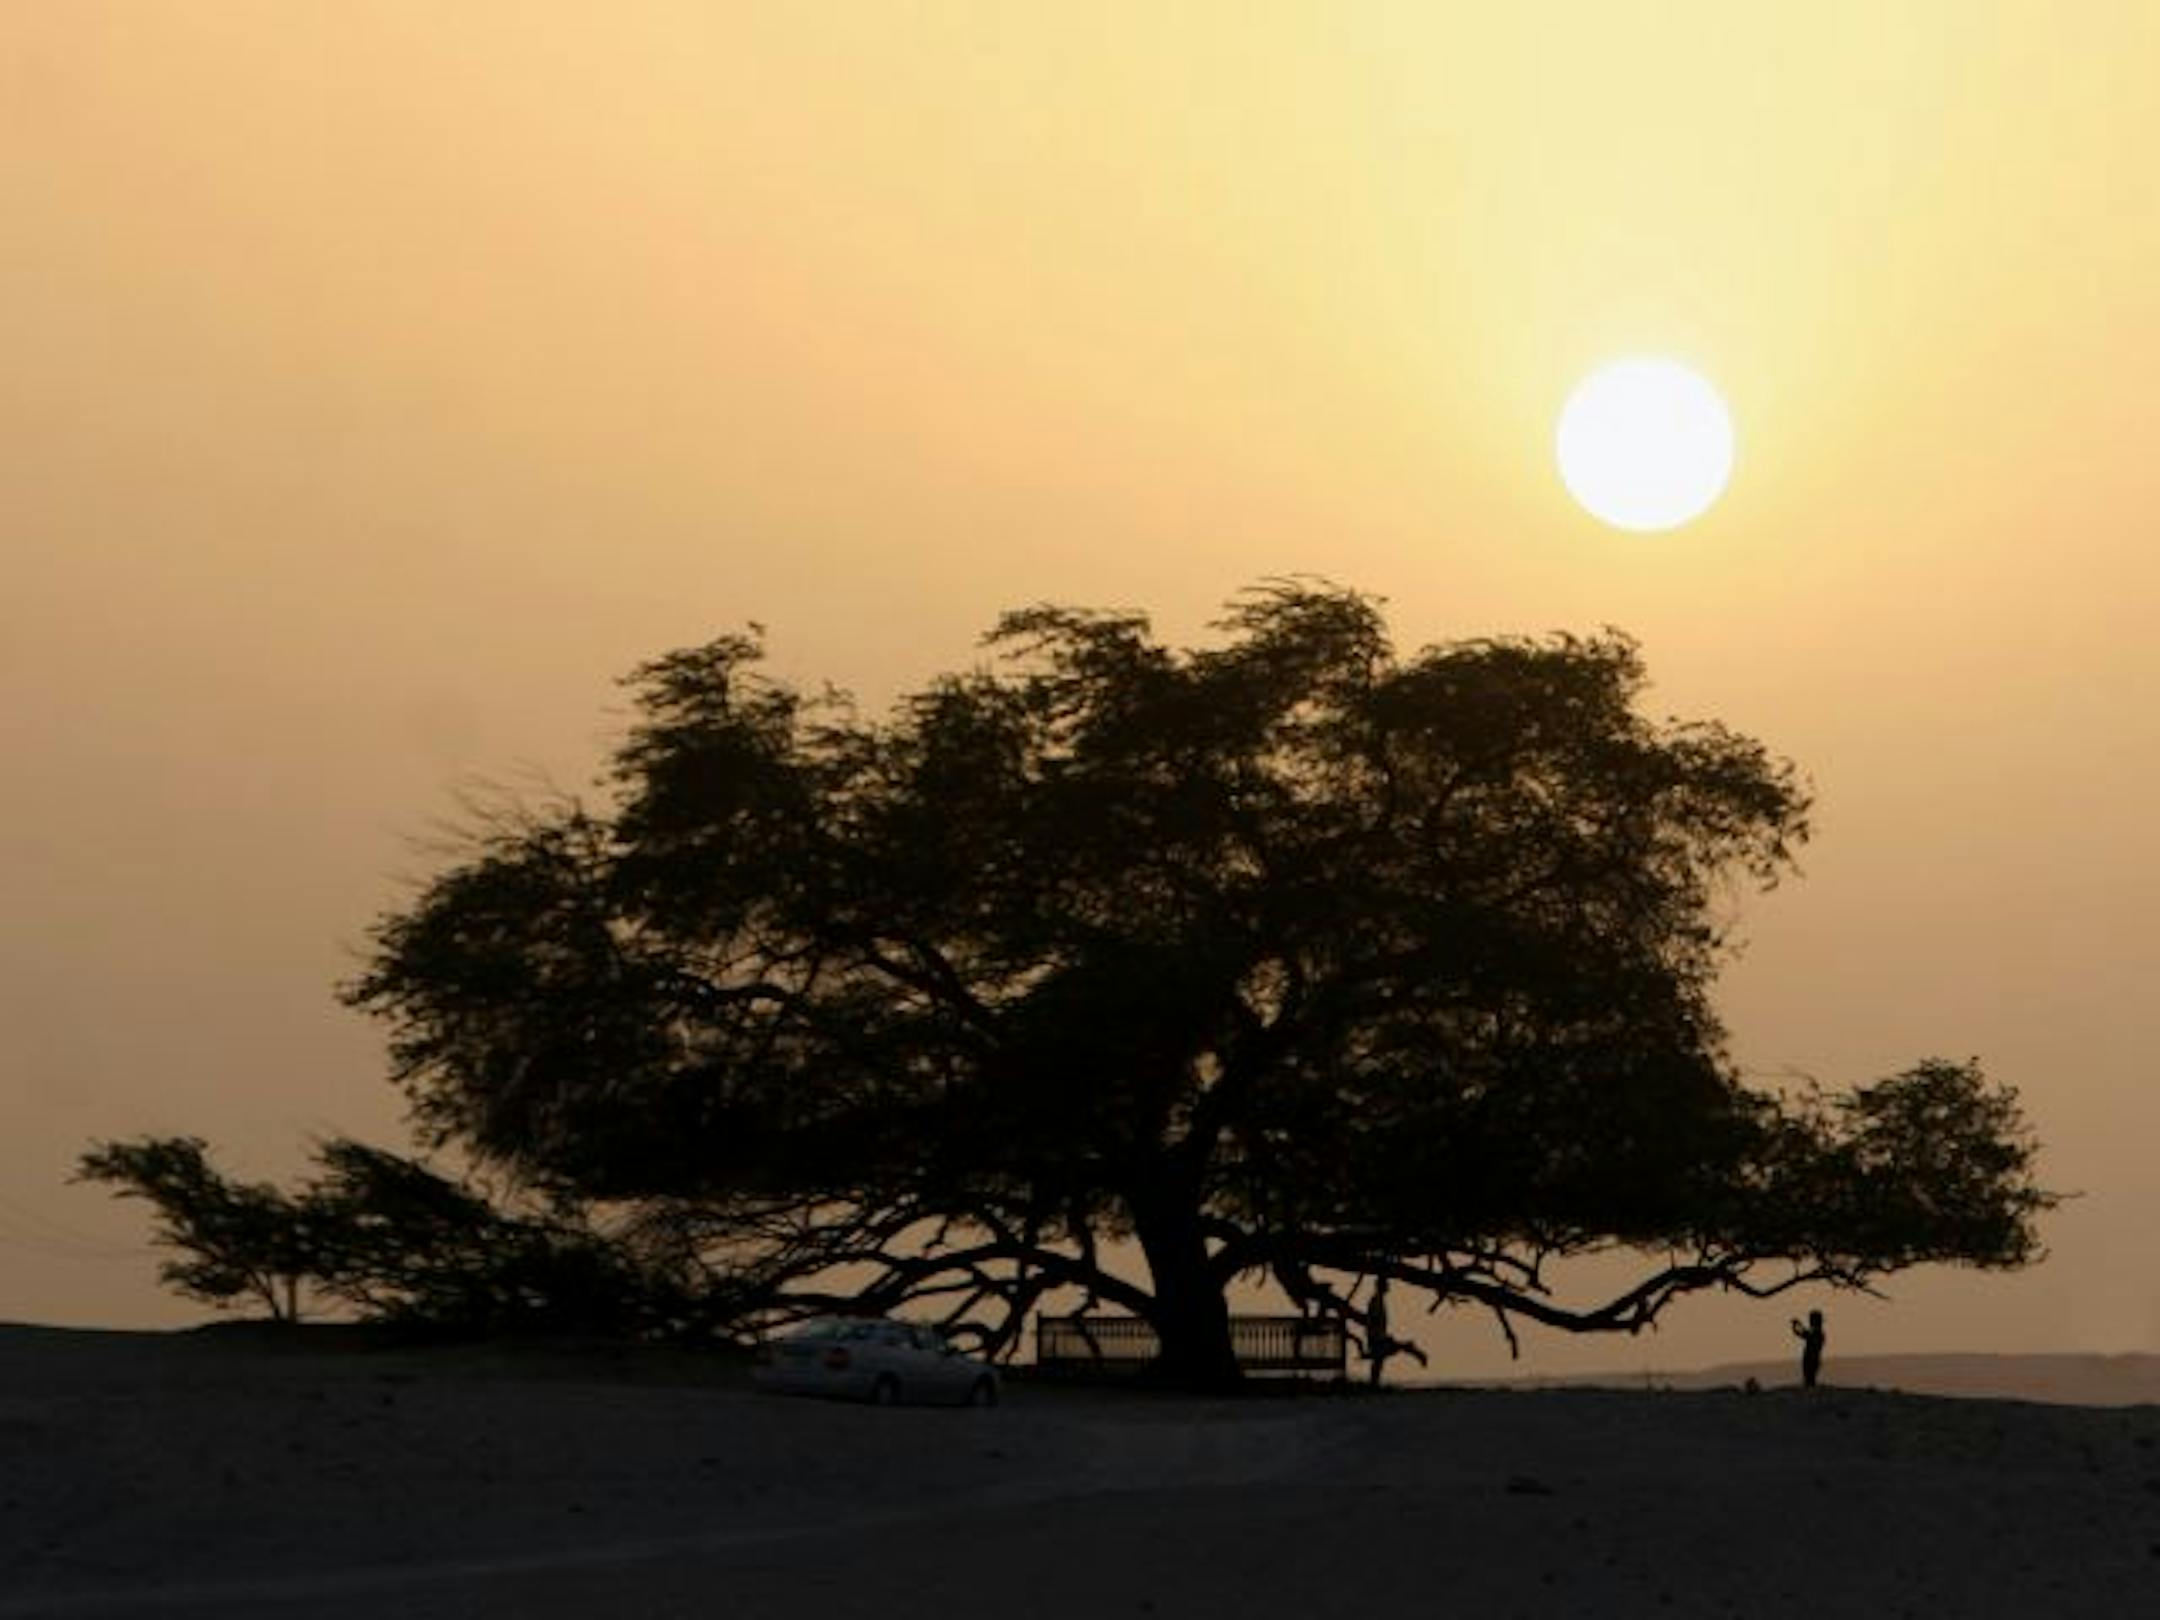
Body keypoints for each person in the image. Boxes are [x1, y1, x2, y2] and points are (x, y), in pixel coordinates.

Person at [1791, 1308, 1827, 1388]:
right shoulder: (1816, 1333)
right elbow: (1802, 1333)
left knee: (1809, 1380)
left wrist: (1797, 1325)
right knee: (1809, 1379)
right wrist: (1796, 1326)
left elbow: (1804, 1334)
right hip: (1810, 1358)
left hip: (1812, 1359)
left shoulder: (1818, 1333)